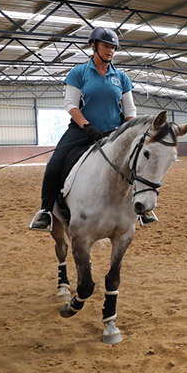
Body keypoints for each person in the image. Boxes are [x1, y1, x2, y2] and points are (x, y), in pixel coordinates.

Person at [29, 26, 151, 231]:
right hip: (82, 130)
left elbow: (130, 109)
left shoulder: (121, 77)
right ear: (93, 46)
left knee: (139, 162)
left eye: (113, 47)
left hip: (114, 132)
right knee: (55, 163)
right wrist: (86, 126)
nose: (110, 51)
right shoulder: (78, 73)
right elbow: (71, 105)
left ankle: (143, 209)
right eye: (106, 46)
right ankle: (45, 211)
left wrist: (129, 131)